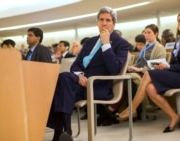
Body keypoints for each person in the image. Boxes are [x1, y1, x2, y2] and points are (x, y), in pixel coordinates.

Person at [46, 6, 129, 141]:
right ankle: (65, 131)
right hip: (80, 84)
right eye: (101, 20)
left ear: (114, 23)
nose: (104, 23)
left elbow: (115, 70)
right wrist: (79, 75)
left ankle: (61, 132)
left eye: (108, 20)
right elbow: (76, 65)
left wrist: (106, 44)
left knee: (62, 82)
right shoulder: (90, 41)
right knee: (62, 80)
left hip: (98, 85)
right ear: (97, 22)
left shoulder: (121, 44)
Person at [118, 11, 180, 133]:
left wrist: (168, 67)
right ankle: (174, 117)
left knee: (148, 74)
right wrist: (164, 66)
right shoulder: (179, 41)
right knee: (150, 88)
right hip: (178, 74)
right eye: (179, 20)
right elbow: (175, 63)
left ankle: (132, 108)